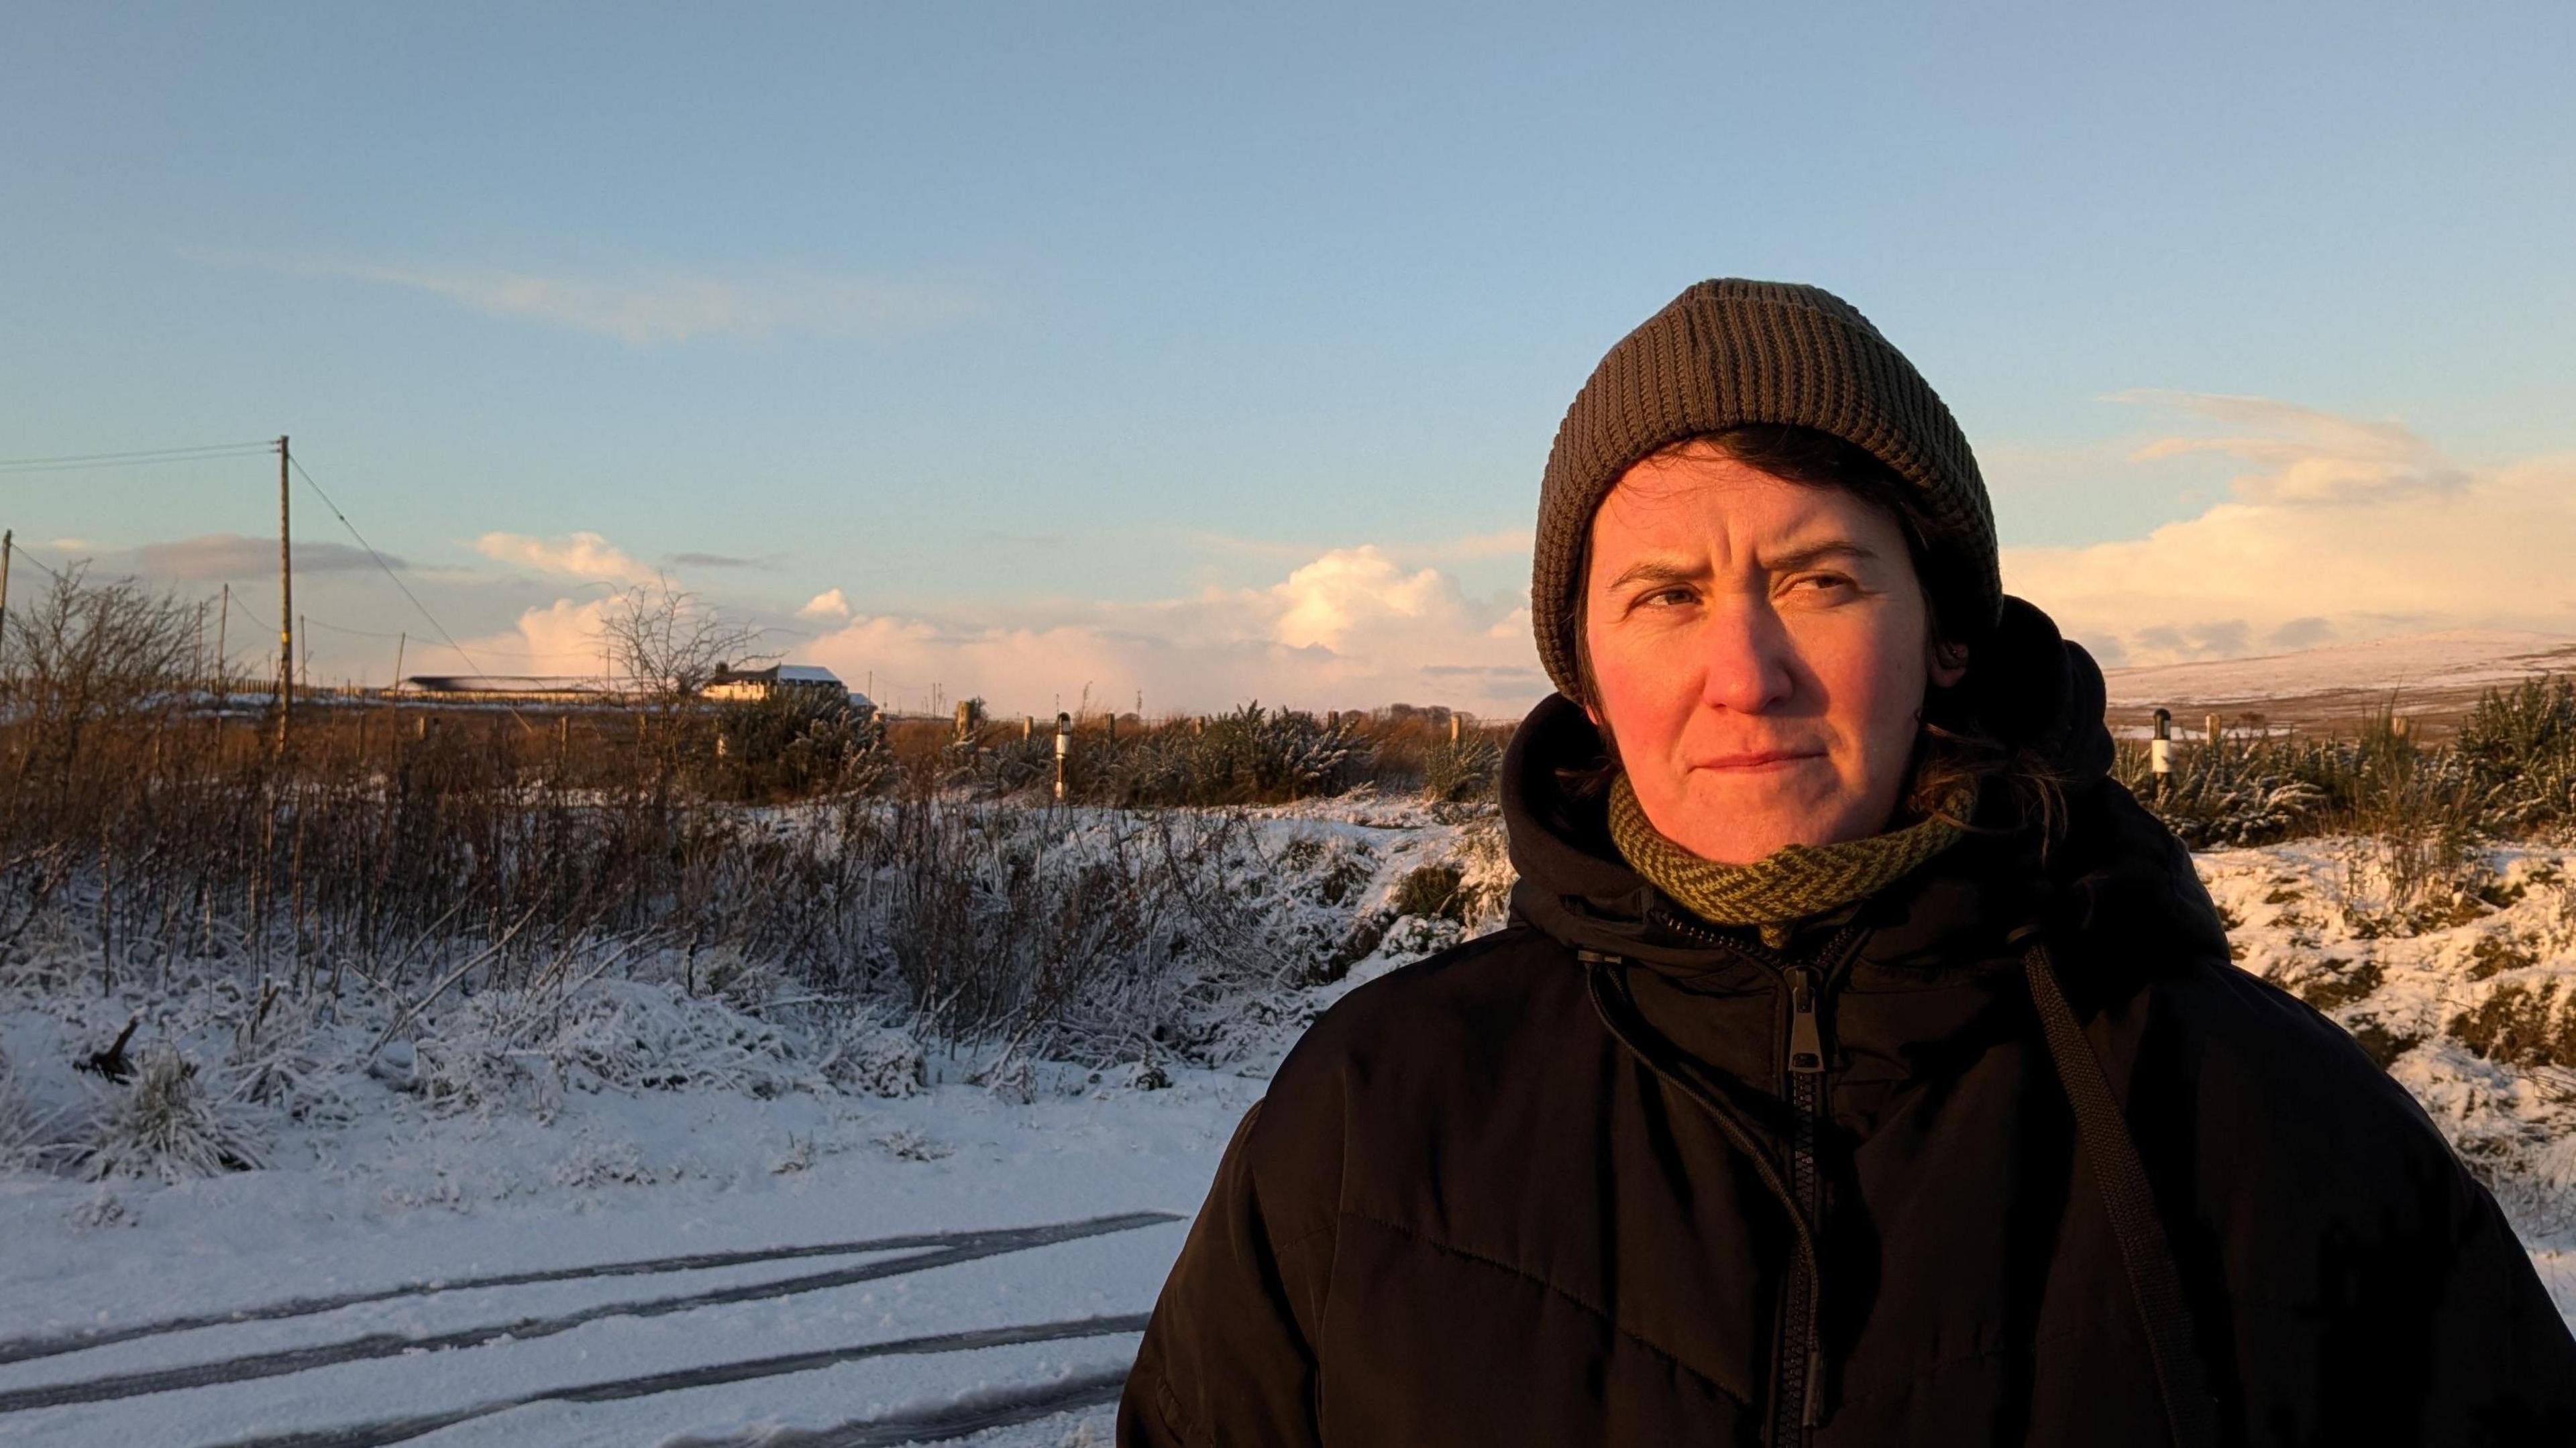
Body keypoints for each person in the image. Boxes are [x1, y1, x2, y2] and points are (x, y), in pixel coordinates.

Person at [1118, 280, 2576, 1445]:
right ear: (1586, 675)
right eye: (1665, 597)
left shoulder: (2272, 1134)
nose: (1743, 673)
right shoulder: (1381, 1112)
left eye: (1818, 580)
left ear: (1945, 634)